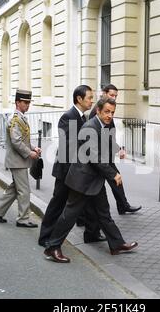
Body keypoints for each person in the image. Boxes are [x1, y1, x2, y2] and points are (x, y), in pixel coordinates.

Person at [43, 98, 138, 263]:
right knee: (69, 215)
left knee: (104, 213)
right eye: (107, 112)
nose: (110, 115)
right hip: (82, 180)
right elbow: (94, 156)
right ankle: (52, 247)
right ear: (98, 111)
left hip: (94, 180)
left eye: (112, 112)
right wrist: (113, 174)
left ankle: (116, 244)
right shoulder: (90, 127)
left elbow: (107, 146)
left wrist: (118, 151)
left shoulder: (102, 125)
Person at [38, 85, 98, 247]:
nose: (92, 101)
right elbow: (69, 148)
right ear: (79, 99)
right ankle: (45, 238)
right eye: (89, 98)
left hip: (75, 172)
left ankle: (91, 233)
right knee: (57, 205)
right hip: (66, 172)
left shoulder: (82, 118)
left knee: (82, 206)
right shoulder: (69, 117)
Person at [0, 89, 42, 228]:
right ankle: (23, 219)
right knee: (24, 190)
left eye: (29, 102)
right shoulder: (15, 119)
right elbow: (16, 141)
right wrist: (30, 153)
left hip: (18, 160)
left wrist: (33, 148)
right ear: (17, 102)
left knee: (15, 188)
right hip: (17, 161)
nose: (27, 105)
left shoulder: (20, 117)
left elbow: (23, 139)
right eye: (25, 102)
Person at [89, 84, 141, 215]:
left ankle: (123, 205)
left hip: (106, 155)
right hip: (100, 157)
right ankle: (83, 217)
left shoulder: (109, 109)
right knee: (109, 182)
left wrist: (118, 149)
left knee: (115, 180)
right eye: (111, 95)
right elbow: (101, 137)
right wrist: (117, 149)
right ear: (104, 94)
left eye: (116, 96)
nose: (114, 98)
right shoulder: (98, 111)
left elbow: (109, 135)